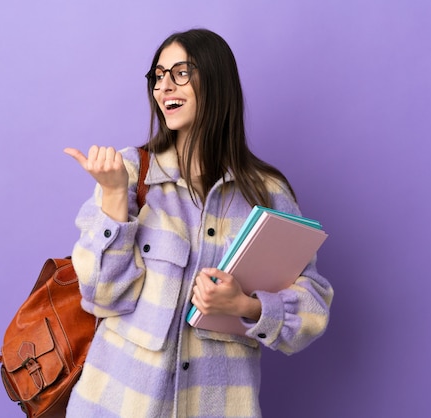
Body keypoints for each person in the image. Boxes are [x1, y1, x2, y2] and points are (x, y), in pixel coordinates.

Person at [63, 28, 333, 418]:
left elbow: (313, 306)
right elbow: (100, 296)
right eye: (158, 76)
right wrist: (113, 198)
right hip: (116, 404)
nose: (164, 87)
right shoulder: (129, 172)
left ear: (216, 79)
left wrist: (246, 306)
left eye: (181, 73)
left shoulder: (267, 192)